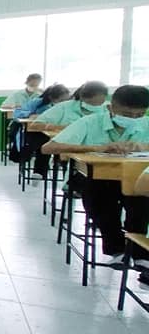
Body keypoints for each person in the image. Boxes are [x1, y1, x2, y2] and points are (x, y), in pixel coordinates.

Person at [41, 85, 149, 267]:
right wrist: (98, 148)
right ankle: (117, 249)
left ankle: (139, 253)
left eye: (139, 115)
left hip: (134, 178)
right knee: (99, 194)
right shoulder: (90, 123)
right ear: (110, 107)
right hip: (93, 178)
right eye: (127, 114)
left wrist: (142, 147)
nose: (133, 119)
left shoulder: (145, 124)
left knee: (141, 197)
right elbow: (48, 148)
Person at [8, 84, 71, 174]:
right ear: (52, 98)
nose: (64, 103)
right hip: (35, 133)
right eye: (61, 100)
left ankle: (59, 168)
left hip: (56, 134)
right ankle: (39, 172)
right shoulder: (38, 103)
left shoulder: (69, 108)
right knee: (44, 144)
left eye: (67, 100)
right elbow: (17, 114)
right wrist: (30, 115)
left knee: (58, 144)